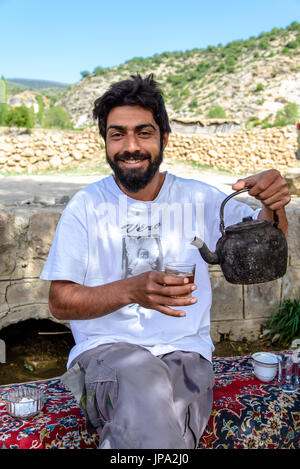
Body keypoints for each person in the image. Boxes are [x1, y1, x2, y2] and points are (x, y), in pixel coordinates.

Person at [40, 74, 290, 449]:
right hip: (111, 351)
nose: (130, 146)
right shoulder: (87, 207)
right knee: (144, 386)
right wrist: (131, 290)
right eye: (117, 134)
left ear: (164, 139)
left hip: (187, 353)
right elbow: (60, 302)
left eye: (143, 132)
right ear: (105, 142)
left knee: (160, 433)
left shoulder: (199, 198)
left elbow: (269, 241)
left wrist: (272, 204)